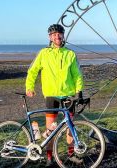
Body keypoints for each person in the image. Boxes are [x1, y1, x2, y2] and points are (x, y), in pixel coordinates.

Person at [26, 24, 84, 166]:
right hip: (51, 96)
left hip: (68, 96)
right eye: (53, 34)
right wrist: (29, 87)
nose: (56, 36)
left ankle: (71, 155)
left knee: (70, 127)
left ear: (63, 35)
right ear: (49, 37)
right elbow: (33, 70)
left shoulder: (70, 54)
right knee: (50, 129)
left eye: (59, 34)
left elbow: (77, 75)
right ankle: (49, 157)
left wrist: (79, 92)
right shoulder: (44, 53)